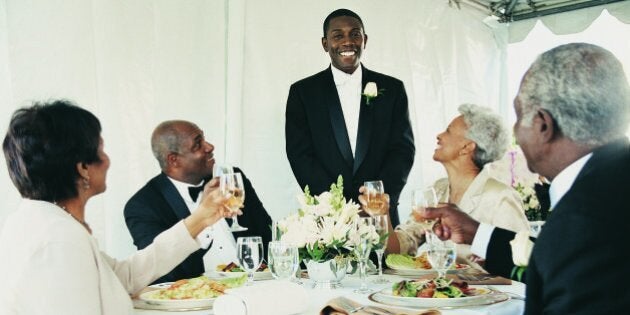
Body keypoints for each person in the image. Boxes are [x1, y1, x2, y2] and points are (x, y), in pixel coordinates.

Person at [419, 43, 630, 314]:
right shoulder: (610, 186)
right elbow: (553, 261)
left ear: (543, 125)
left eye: (519, 117)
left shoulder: (585, 218)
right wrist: (476, 231)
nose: (516, 132)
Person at [0, 101, 232, 314]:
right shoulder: (58, 240)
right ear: (83, 168)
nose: (108, 159)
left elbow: (125, 276)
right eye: (101, 149)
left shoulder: (42, 223)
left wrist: (200, 218)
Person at [285, 8, 415, 227]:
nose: (348, 42)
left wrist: (377, 199)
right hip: (328, 219)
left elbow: (402, 150)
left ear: (364, 40)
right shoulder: (303, 92)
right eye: (338, 36)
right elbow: (300, 153)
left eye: (355, 34)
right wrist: (334, 205)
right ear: (325, 43)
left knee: (387, 262)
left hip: (379, 213)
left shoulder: (392, 88)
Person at [360, 104, 529, 267]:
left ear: (467, 147)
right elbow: (398, 251)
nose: (439, 135)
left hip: (485, 295)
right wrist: (383, 215)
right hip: (440, 292)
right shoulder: (437, 190)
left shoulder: (501, 197)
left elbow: (520, 267)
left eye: (448, 131)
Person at [124, 120, 272, 284]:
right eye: (198, 144)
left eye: (204, 139)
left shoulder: (231, 180)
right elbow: (163, 276)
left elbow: (268, 235)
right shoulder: (143, 206)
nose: (209, 146)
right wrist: (201, 215)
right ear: (174, 160)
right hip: (197, 300)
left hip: (255, 286)